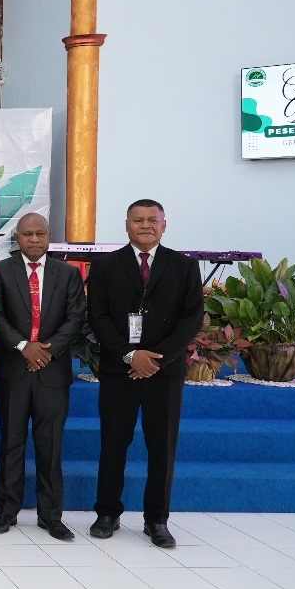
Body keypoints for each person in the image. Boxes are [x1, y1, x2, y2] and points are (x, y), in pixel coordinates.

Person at [88, 199, 203, 548]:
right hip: (119, 371)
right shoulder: (106, 266)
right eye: (138, 220)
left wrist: (156, 360)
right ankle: (107, 513)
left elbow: (191, 318)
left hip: (163, 374)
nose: (145, 225)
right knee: (113, 443)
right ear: (127, 225)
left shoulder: (184, 266)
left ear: (164, 225)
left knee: (162, 447)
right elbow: (98, 316)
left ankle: (157, 519)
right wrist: (129, 355)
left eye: (152, 220)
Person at [0, 213, 86, 540]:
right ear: (17, 238)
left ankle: (51, 516)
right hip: (13, 369)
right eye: (27, 234)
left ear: (48, 237)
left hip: (52, 371)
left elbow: (75, 318)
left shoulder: (68, 273)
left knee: (50, 446)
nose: (34, 239)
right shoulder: (0, 271)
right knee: (11, 443)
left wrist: (46, 351)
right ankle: (7, 510)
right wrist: (23, 347)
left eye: (40, 233)